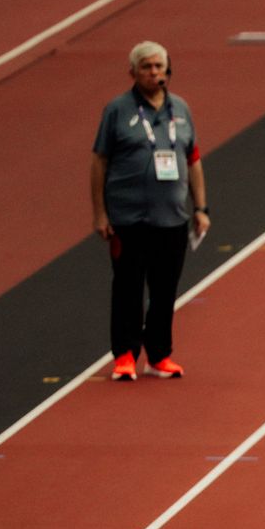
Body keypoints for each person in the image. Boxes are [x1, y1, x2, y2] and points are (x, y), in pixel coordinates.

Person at [90, 41, 209, 381]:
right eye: (146, 67)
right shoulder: (117, 110)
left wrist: (201, 207)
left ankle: (158, 355)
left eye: (159, 66)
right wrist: (100, 213)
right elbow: (99, 161)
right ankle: (125, 354)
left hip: (171, 216)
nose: (154, 73)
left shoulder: (181, 109)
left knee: (164, 290)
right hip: (128, 219)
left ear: (167, 69)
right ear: (133, 72)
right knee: (128, 288)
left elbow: (194, 160)